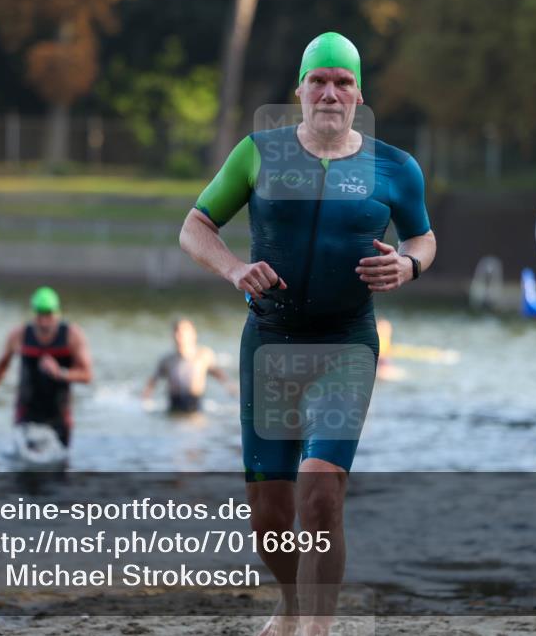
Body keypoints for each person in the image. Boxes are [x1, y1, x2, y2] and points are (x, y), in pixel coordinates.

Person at [179, 32, 436, 636]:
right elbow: (195, 226)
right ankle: (293, 607)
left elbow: (422, 236)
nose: (329, 93)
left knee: (320, 491)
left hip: (346, 345)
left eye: (342, 83)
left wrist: (409, 264)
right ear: (299, 89)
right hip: (269, 345)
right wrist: (234, 268)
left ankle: (318, 628)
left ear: (359, 96)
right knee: (268, 519)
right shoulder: (258, 153)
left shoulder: (396, 168)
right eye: (318, 80)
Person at [0, 287, 93, 448]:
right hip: (27, 411)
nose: (44, 321)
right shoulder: (19, 335)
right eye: (40, 314)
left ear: (58, 313)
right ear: (33, 313)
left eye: (49, 314)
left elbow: (87, 375)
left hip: (59, 413)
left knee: (60, 461)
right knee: (25, 460)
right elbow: (2, 364)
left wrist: (60, 373)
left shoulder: (72, 336)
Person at [142, 317, 237, 414]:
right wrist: (146, 400)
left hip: (195, 407)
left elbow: (218, 374)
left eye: (183, 332)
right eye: (177, 331)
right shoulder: (167, 360)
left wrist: (230, 387)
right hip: (174, 406)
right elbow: (153, 381)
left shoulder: (203, 355)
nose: (179, 336)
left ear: (193, 334)